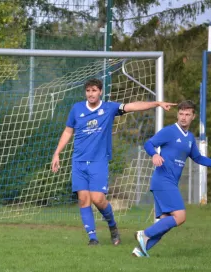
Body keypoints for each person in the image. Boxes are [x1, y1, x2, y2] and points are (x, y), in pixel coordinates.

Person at [51, 78, 177, 246]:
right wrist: (57, 153)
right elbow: (68, 131)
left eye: (94, 90)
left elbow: (132, 106)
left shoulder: (109, 108)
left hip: (98, 161)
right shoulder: (77, 109)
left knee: (98, 198)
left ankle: (113, 227)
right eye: (88, 90)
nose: (91, 94)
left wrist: (156, 103)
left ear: (100, 92)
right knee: (83, 199)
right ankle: (92, 237)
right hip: (79, 161)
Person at [133, 100, 211, 257]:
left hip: (170, 182)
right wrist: (155, 154)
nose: (183, 117)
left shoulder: (190, 138)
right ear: (177, 115)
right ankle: (144, 234)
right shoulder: (169, 131)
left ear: (193, 116)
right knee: (180, 216)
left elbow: (198, 158)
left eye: (187, 114)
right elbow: (149, 144)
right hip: (162, 180)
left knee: (166, 222)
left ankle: (139, 252)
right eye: (181, 114)